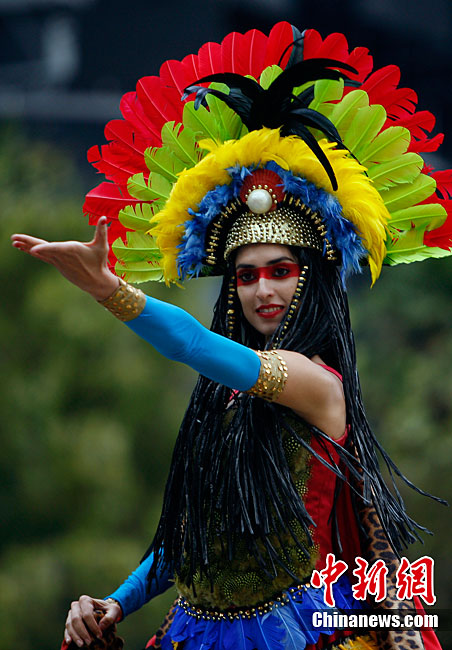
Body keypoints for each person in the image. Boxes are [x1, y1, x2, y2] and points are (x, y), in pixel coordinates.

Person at [12, 21, 451, 650]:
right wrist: (118, 602)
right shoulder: (221, 397)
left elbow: (191, 344)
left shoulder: (316, 383)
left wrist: (109, 289)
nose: (262, 290)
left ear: (315, 282)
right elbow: (189, 538)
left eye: (281, 271)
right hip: (193, 630)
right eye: (246, 276)